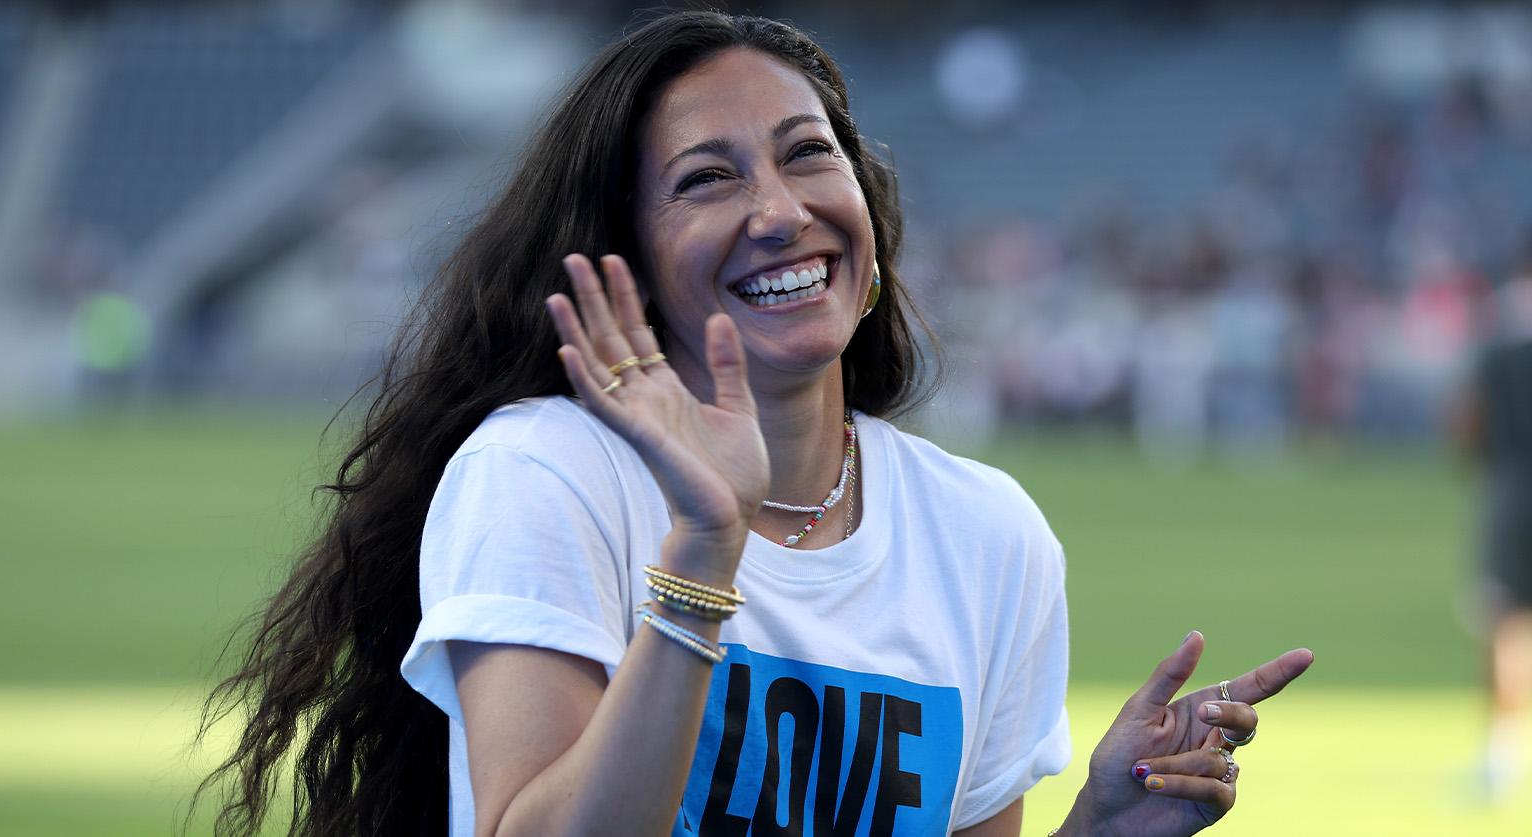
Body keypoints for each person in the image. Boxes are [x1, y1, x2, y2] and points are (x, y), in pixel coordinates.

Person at [197, 12, 1313, 836]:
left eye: (807, 153)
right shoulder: (547, 473)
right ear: (624, 256)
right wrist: (704, 543)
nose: (778, 212)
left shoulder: (987, 532)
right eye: (705, 180)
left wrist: (1095, 831)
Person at [1456, 267, 1532, 801]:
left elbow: (1468, 427)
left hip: (1513, 499)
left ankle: (1498, 760)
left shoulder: (1499, 333)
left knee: (1506, 629)